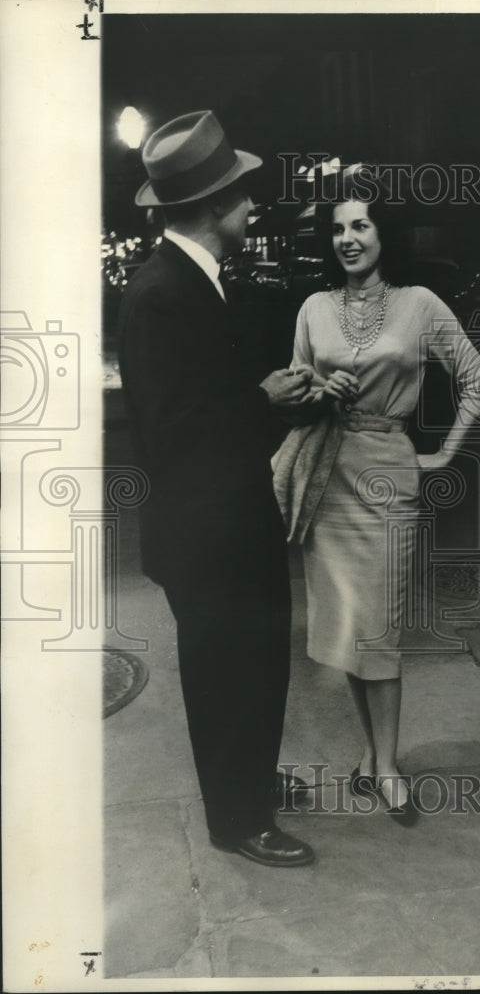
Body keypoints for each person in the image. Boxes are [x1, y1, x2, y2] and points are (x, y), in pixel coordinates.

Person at [118, 110, 315, 868]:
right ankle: (238, 820)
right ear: (211, 209)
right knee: (227, 671)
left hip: (226, 523)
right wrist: (263, 399)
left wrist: (276, 395)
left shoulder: (190, 282)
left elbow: (205, 402)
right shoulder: (162, 293)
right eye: (242, 196)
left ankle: (252, 781)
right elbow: (174, 433)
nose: (252, 207)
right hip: (208, 535)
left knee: (256, 660)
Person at [273, 169, 480, 824]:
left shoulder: (420, 304)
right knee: (348, 630)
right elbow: (292, 395)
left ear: (383, 233)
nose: (348, 238)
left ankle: (388, 765)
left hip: (389, 475)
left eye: (361, 225)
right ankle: (373, 756)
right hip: (328, 478)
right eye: (338, 228)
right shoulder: (314, 308)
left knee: (383, 627)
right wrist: (318, 390)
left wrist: (445, 452)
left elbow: (478, 379)